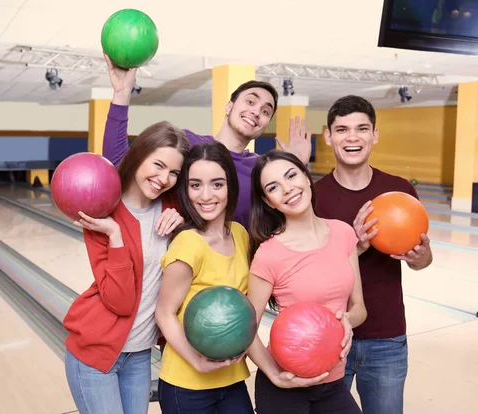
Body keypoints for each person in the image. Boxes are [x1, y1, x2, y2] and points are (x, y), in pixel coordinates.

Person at [313, 95, 433, 414]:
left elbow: (423, 261)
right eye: (342, 129)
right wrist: (355, 245)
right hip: (331, 337)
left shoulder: (401, 191)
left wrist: (420, 256)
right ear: (328, 136)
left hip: (387, 338)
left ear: (374, 135)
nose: (352, 137)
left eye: (362, 128)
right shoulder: (313, 197)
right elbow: (305, 269)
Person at [62, 119, 190, 414]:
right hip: (96, 354)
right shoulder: (102, 211)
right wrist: (115, 235)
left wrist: (184, 224)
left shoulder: (174, 206)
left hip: (139, 354)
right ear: (139, 155)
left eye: (173, 172)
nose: (164, 178)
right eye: (158, 165)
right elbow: (119, 301)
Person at [101, 54, 312, 230]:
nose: (256, 111)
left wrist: (300, 167)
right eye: (250, 101)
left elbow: (292, 216)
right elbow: (119, 164)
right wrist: (122, 94)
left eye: (266, 111)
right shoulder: (187, 143)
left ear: (265, 124)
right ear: (229, 107)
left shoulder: (261, 168)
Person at [245, 150, 367, 413]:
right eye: (274, 187)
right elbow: (246, 328)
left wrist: (347, 320)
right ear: (268, 201)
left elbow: (359, 307)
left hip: (334, 383)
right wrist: (273, 374)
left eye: (291, 176)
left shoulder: (343, 233)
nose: (288, 189)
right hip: (284, 388)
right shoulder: (269, 254)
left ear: (306, 177)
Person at [154, 141, 254, 413]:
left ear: (231, 186)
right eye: (195, 184)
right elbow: (164, 314)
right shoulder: (188, 243)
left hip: (232, 378)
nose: (206, 195)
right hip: (186, 384)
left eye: (217, 184)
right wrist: (197, 362)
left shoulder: (240, 234)